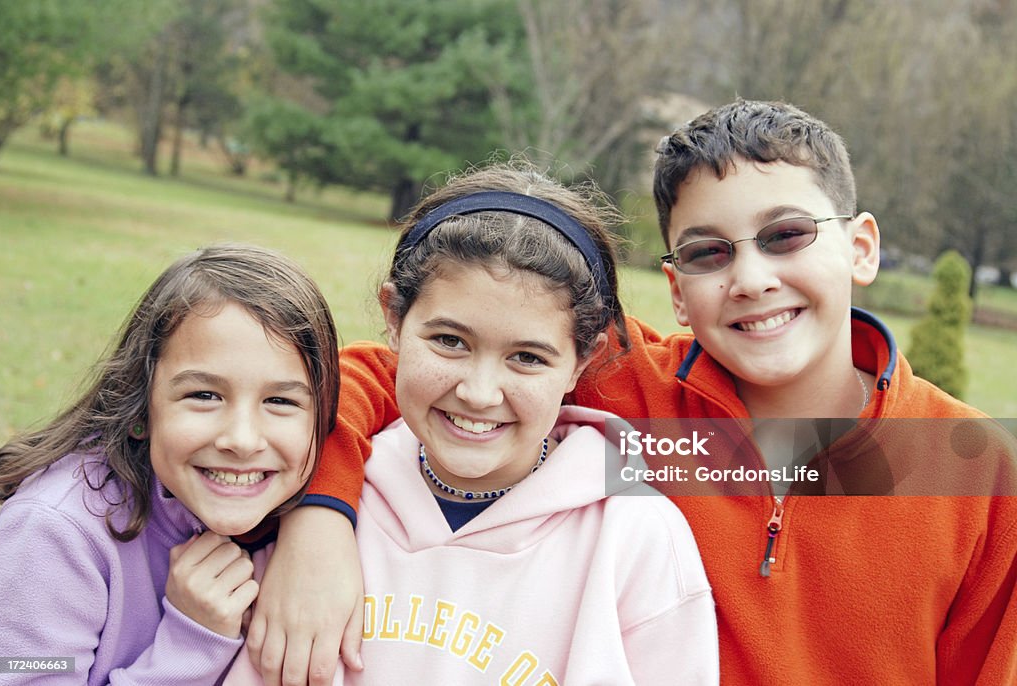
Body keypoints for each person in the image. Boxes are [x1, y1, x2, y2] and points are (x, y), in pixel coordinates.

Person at [252, 102, 1017, 685]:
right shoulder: (633, 390)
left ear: (861, 246)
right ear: (678, 293)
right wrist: (321, 520)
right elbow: (374, 375)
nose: (751, 278)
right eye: (709, 253)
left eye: (787, 235)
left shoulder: (976, 470)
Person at [230, 162, 719, 685]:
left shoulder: (635, 537)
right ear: (394, 319)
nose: (479, 394)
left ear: (582, 359)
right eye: (449, 341)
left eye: (528, 358)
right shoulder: (308, 493)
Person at [0, 244, 340, 686]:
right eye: (204, 395)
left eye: (280, 400)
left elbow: (388, 374)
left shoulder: (298, 509)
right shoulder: (53, 533)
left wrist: (322, 529)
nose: (241, 439)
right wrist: (193, 641)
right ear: (139, 408)